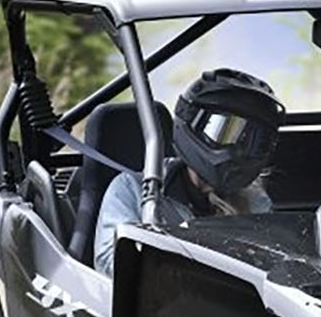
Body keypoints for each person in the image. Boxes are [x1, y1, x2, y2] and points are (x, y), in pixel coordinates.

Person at [94, 68, 284, 275]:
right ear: (193, 123)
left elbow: (272, 267)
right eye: (225, 131)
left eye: (256, 143)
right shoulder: (133, 189)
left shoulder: (255, 200)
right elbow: (111, 266)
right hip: (163, 303)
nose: (239, 150)